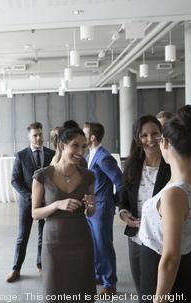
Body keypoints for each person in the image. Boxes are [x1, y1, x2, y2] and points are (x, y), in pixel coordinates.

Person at [138, 105, 191, 303]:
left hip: (163, 268)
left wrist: (159, 298)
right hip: (187, 260)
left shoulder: (175, 194)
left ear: (166, 143)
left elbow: (170, 257)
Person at [31, 123, 97, 302]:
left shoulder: (88, 176)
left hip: (81, 241)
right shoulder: (42, 176)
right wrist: (57, 204)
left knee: (82, 292)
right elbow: (35, 213)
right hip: (54, 243)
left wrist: (91, 206)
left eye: (84, 147)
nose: (81, 151)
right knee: (55, 291)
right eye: (75, 145)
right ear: (62, 145)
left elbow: (90, 213)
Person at [118, 116, 171, 294]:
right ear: (137, 138)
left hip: (163, 238)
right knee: (142, 289)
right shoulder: (131, 165)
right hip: (136, 237)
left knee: (163, 290)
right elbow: (123, 198)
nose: (150, 140)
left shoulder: (171, 165)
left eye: (155, 133)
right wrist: (123, 213)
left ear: (162, 134)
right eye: (144, 135)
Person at [6, 122, 55, 282]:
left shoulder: (51, 154)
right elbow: (15, 180)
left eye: (40, 134)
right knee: (22, 236)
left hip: (46, 203)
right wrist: (31, 197)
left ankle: (41, 265)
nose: (39, 138)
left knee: (43, 235)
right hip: (27, 203)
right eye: (35, 135)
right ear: (29, 137)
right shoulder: (21, 155)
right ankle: (16, 269)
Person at [83, 122, 123, 295]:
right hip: (92, 208)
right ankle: (99, 275)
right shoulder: (90, 154)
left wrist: (114, 202)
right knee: (95, 244)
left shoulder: (104, 157)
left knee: (104, 245)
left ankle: (110, 283)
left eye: (84, 133)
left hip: (102, 208)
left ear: (92, 137)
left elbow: (120, 182)